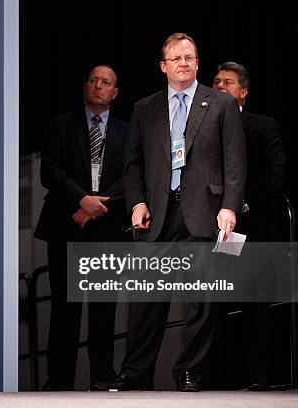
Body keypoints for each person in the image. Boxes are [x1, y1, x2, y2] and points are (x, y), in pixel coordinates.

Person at [113, 33, 246, 392]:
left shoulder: (220, 104)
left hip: (204, 213)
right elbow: (133, 165)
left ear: (198, 63)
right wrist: (137, 202)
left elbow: (235, 164)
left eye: (190, 57)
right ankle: (134, 374)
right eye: (177, 59)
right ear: (163, 66)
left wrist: (229, 207)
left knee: (200, 301)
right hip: (155, 215)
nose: (184, 63)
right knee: (146, 300)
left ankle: (190, 372)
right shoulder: (145, 108)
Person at [34, 64, 130, 390]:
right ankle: (59, 381)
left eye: (105, 82)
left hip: (107, 228)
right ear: (85, 87)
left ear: (115, 93)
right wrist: (80, 200)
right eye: (93, 80)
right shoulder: (61, 125)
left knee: (104, 311)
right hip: (66, 225)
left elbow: (132, 177)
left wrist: (96, 206)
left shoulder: (127, 132)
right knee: (65, 309)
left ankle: (102, 377)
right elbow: (51, 172)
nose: (98, 86)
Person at [213, 61, 286, 391]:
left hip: (252, 227)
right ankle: (220, 375)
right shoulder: (203, 127)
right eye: (215, 81)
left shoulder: (261, 125)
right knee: (218, 301)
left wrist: (238, 201)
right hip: (215, 229)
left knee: (256, 301)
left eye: (227, 82)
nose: (219, 86)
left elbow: (276, 173)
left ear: (243, 91)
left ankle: (258, 375)